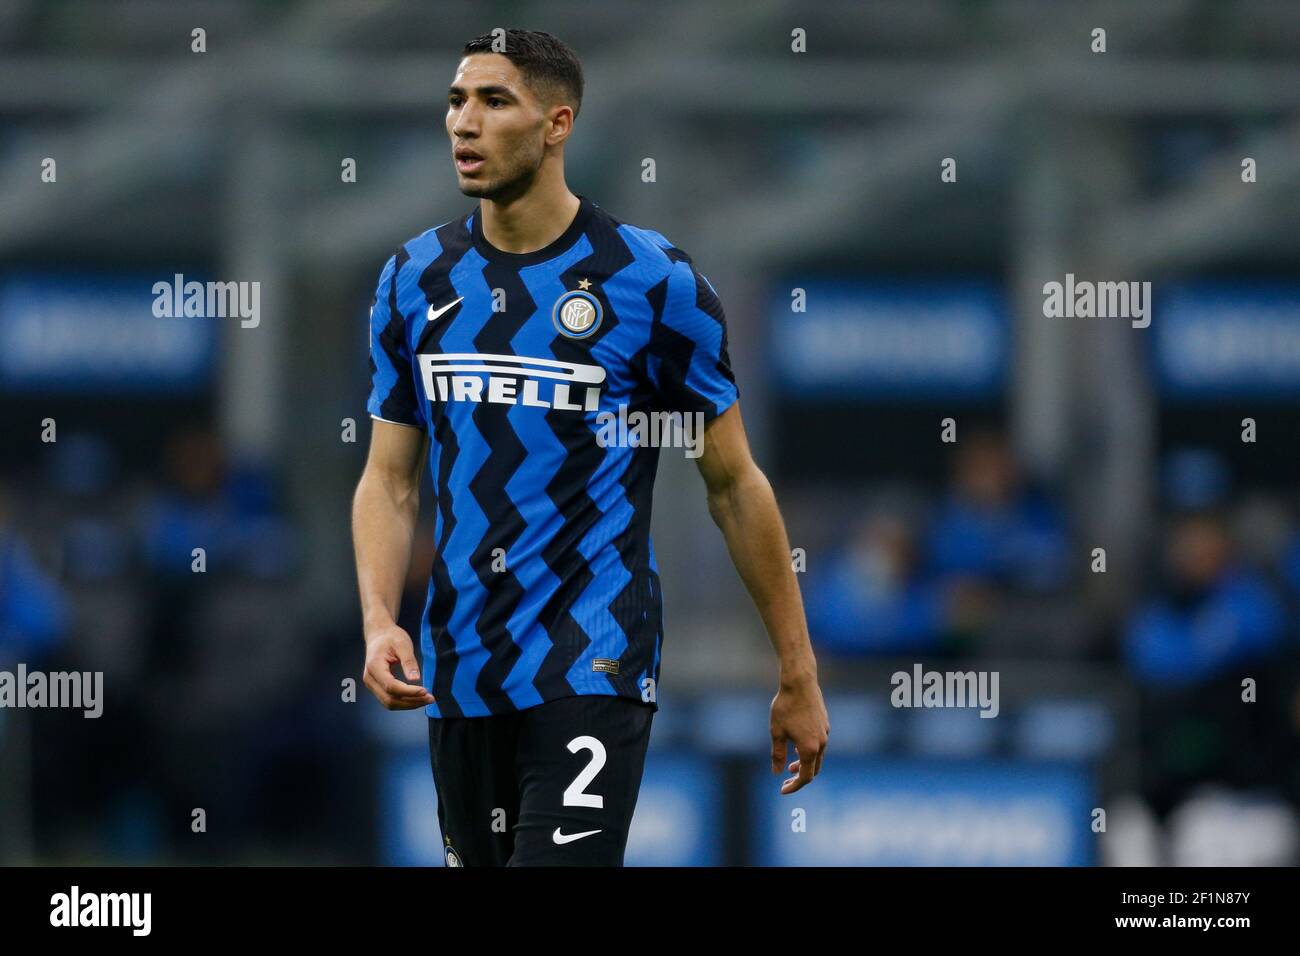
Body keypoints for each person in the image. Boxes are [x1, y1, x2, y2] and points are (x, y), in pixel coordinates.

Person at [350, 29, 827, 866]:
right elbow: (390, 482)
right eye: (457, 101)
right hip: (460, 660)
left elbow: (734, 486)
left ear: (557, 123)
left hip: (592, 651)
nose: (465, 122)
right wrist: (380, 619)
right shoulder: (412, 279)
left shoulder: (654, 283)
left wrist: (796, 670)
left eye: (495, 101)